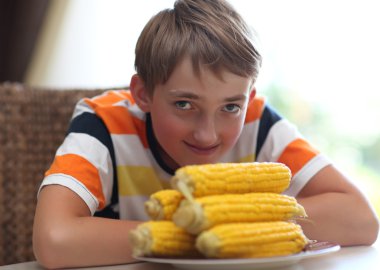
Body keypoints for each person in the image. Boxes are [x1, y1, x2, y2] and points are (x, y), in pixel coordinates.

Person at [33, 0, 379, 268]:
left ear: (249, 99)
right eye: (184, 104)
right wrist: (200, 232)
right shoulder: (103, 125)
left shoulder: (257, 123)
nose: (207, 135)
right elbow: (54, 238)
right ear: (143, 94)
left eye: (230, 107)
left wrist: (231, 227)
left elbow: (359, 220)